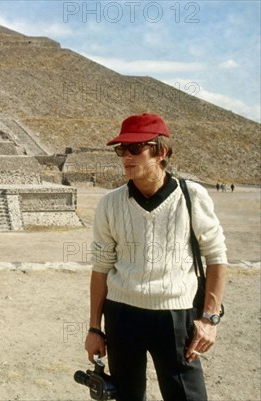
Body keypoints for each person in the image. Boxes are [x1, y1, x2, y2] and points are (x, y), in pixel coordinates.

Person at [85, 113, 227, 401]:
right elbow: (101, 268)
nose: (126, 156)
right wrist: (94, 328)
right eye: (121, 149)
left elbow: (216, 257)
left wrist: (209, 319)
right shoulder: (110, 204)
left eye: (136, 148)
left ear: (161, 152)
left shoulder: (192, 196)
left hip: (176, 317)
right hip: (122, 315)